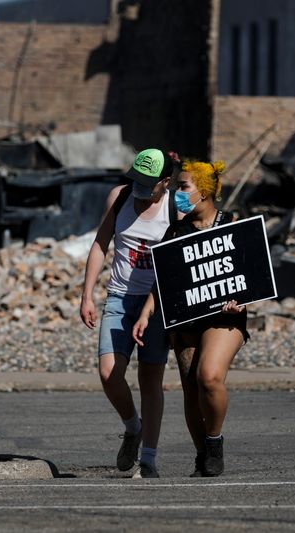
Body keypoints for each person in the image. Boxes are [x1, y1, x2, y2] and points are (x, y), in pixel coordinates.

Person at [132, 159, 248, 477]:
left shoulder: (232, 224)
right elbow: (164, 279)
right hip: (187, 318)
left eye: (184, 187)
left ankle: (215, 441)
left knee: (208, 377)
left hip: (226, 317)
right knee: (191, 388)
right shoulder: (175, 231)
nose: (178, 194)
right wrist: (146, 313)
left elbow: (251, 277)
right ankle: (201, 455)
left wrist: (241, 301)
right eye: (176, 187)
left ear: (205, 190)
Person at [80, 148, 176, 478]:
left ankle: (148, 459)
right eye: (136, 179)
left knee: (150, 378)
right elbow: (99, 244)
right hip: (119, 298)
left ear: (165, 182)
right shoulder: (118, 198)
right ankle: (132, 426)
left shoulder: (174, 208)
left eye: (148, 183)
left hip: (157, 303)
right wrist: (87, 295)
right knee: (109, 373)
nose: (139, 188)